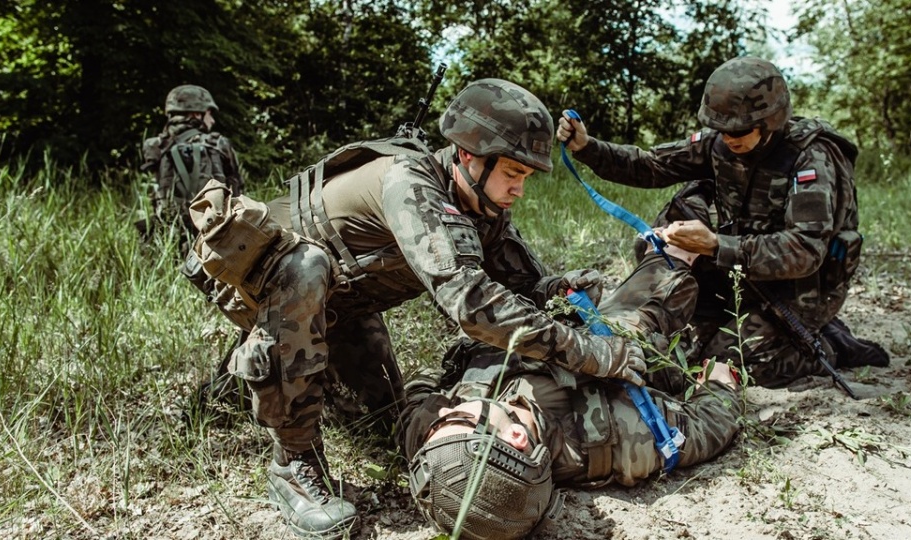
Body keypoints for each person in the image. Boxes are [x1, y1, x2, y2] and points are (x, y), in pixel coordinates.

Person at [183, 78, 648, 540]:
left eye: (524, 177)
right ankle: (292, 464)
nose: (519, 190)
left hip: (344, 305)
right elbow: (470, 303)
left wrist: (559, 289)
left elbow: (519, 284)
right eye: (512, 173)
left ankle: (235, 384)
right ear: (469, 156)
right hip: (263, 287)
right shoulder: (411, 182)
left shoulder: (479, 203)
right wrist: (592, 353)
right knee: (306, 269)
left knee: (384, 421)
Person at [556, 56, 888, 389]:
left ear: (770, 120)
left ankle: (827, 344)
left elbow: (804, 252)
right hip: (738, 270)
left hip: (802, 288)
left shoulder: (813, 158)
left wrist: (717, 245)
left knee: (732, 364)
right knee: (685, 348)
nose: (729, 138)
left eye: (739, 130)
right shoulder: (719, 143)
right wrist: (587, 147)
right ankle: (720, 317)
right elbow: (652, 165)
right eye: (721, 128)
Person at [399, 248, 742, 540]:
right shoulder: (621, 436)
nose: (444, 413)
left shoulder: (447, 452)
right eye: (460, 417)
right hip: (632, 349)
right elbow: (708, 426)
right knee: (676, 278)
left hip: (564, 334)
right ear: (517, 436)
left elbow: (416, 401)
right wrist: (720, 384)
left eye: (436, 428)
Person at [139, 84, 243, 255]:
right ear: (196, 114)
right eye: (209, 114)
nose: (212, 120)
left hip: (168, 236)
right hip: (214, 237)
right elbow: (238, 193)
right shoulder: (218, 144)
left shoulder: (155, 147)